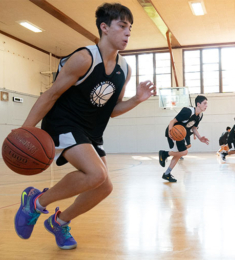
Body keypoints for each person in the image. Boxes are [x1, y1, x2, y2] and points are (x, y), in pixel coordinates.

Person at [14, 3, 155, 250]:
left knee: (104, 187)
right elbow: (51, 95)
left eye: (130, 28)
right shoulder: (84, 59)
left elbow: (112, 111)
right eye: (122, 26)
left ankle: (60, 221)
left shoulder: (124, 69)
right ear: (104, 27)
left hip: (91, 131)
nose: (127, 33)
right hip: (63, 122)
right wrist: (25, 131)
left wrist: (136, 100)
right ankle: (36, 202)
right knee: (97, 173)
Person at [159, 95, 209, 182]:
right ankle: (164, 154)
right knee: (184, 152)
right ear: (198, 104)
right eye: (204, 103)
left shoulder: (200, 115)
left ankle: (167, 174)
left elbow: (194, 128)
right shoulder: (188, 111)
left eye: (206, 104)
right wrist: (170, 132)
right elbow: (172, 121)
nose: (206, 105)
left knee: (178, 154)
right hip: (173, 132)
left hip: (180, 134)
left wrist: (200, 138)